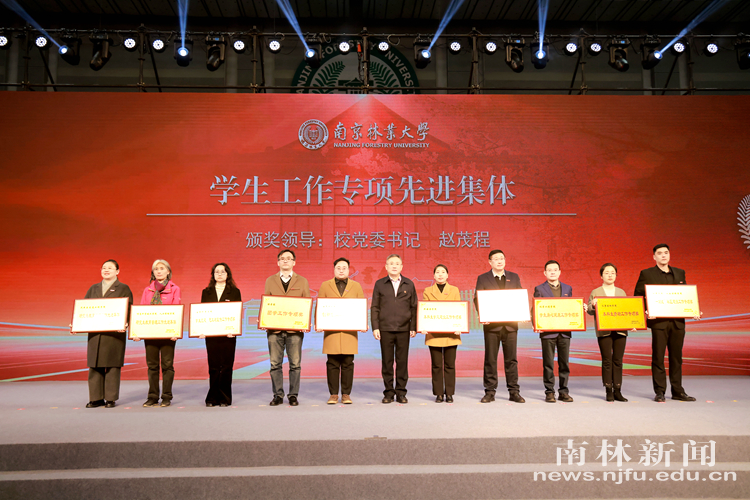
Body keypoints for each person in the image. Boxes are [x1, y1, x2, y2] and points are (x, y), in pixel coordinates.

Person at [634, 244, 699, 403]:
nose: (663, 255)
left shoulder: (680, 272)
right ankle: (660, 391)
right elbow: (638, 296)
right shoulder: (646, 273)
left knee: (677, 358)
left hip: (678, 323)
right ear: (654, 257)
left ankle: (678, 391)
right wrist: (646, 310)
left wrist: (693, 310)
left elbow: (685, 296)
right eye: (660, 253)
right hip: (659, 323)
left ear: (669, 255)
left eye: (666, 253)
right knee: (658, 357)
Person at [74, 259, 133, 409]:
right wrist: (76, 323)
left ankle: (110, 398)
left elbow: (129, 309)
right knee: (95, 366)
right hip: (95, 334)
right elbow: (84, 309)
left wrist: (126, 323)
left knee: (112, 366)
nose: (106, 270)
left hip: (114, 334)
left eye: (110, 268)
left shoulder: (123, 288)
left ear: (117, 271)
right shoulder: (93, 288)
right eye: (104, 268)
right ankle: (96, 398)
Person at [474, 249, 526, 403]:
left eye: (502, 258)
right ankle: (490, 392)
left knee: (511, 360)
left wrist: (522, 313)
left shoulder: (514, 277)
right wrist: (482, 314)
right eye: (496, 259)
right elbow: (478, 298)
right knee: (490, 359)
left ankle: (514, 391)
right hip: (492, 326)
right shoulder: (483, 278)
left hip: (510, 326)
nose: (499, 261)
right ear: (490, 262)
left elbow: (519, 297)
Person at [264, 249, 310, 407]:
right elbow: (267, 303)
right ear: (278, 262)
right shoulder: (270, 280)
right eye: (282, 258)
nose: (285, 261)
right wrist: (264, 319)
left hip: (294, 331)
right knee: (275, 364)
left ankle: (293, 395)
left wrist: (305, 321)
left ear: (294, 262)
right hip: (274, 330)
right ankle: (278, 395)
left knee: (295, 364)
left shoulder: (302, 281)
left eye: (289, 258)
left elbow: (306, 304)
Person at [317, 257, 365, 405]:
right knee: (332, 363)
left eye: (344, 268)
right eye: (338, 268)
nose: (341, 270)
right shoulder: (325, 285)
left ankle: (346, 394)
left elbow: (361, 307)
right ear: (334, 269)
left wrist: (363, 323)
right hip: (331, 332)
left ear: (349, 270)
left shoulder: (356, 286)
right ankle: (333, 394)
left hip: (349, 332)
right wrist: (318, 322)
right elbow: (320, 306)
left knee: (348, 363)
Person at [371, 254, 417, 404]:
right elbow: (375, 307)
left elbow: (414, 307)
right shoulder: (380, 284)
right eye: (391, 263)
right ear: (386, 267)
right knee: (387, 362)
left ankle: (401, 392)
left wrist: (413, 326)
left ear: (402, 267)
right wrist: (376, 327)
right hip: (385, 328)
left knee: (402, 362)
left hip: (404, 329)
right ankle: (388, 393)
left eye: (397, 263)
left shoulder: (409, 284)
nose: (394, 266)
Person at [136, 259, 181, 408]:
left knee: (167, 365)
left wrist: (175, 331)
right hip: (151, 333)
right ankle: (153, 397)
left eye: (162, 268)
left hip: (168, 334)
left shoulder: (175, 289)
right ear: (153, 272)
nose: (159, 271)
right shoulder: (147, 290)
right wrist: (138, 331)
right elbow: (141, 312)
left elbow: (176, 311)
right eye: (156, 269)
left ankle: (167, 396)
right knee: (152, 366)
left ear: (168, 271)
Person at [533, 260, 575, 403]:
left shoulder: (568, 288)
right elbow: (536, 309)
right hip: (548, 332)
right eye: (549, 270)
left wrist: (579, 309)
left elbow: (571, 307)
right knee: (548, 364)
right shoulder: (539, 289)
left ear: (559, 272)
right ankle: (549, 392)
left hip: (564, 332)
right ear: (545, 273)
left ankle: (564, 391)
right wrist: (537, 324)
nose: (552, 272)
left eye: (555, 269)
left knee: (564, 363)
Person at [200, 263, 241, 407]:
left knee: (227, 366)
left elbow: (237, 313)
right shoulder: (206, 292)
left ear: (227, 274)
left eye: (223, 271)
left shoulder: (234, 292)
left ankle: (225, 398)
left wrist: (234, 329)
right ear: (213, 275)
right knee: (213, 367)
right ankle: (212, 398)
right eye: (216, 272)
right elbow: (202, 313)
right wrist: (201, 330)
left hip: (229, 335)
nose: (219, 274)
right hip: (211, 335)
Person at [587, 263, 628, 402]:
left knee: (618, 360)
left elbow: (627, 310)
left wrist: (633, 323)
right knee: (606, 360)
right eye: (606, 273)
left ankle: (618, 389)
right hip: (604, 330)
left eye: (612, 273)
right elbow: (589, 310)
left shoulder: (621, 292)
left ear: (616, 275)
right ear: (601, 276)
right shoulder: (596, 292)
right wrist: (593, 305)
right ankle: (608, 389)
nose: (610, 275)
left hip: (620, 330)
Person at [421, 264, 462, 403]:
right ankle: (438, 393)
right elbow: (425, 311)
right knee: (436, 365)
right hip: (434, 333)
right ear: (433, 275)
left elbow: (458, 309)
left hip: (451, 333)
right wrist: (423, 325)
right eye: (437, 272)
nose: (440, 274)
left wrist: (460, 325)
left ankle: (449, 393)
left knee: (450, 365)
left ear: (447, 275)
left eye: (443, 272)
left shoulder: (454, 290)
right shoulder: (428, 291)